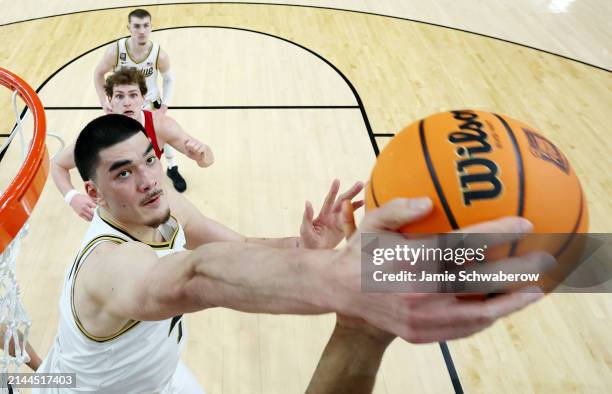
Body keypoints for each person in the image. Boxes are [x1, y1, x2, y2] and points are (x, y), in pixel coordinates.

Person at [33, 114, 550, 392]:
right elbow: (193, 275)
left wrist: (303, 249)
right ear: (94, 194)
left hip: (157, 378)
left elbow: (231, 248)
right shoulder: (106, 266)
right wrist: (333, 279)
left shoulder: (162, 202)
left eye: (149, 159)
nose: (149, 180)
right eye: (123, 172)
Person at [53, 67, 213, 221]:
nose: (127, 103)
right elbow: (58, 165)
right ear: (110, 101)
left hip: (152, 196)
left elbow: (207, 161)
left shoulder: (160, 125)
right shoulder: (98, 134)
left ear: (143, 98)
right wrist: (72, 197)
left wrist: (202, 155)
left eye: (133, 95)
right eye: (120, 96)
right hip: (117, 210)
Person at [93, 8, 188, 192]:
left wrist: (165, 104)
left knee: (162, 136)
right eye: (137, 26)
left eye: (146, 26)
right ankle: (123, 172)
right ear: (129, 27)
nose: (142, 30)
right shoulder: (116, 51)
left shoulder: (159, 53)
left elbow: (169, 79)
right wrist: (103, 100)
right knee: (123, 139)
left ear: (151, 27)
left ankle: (172, 167)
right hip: (123, 104)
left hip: (150, 103)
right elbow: (98, 74)